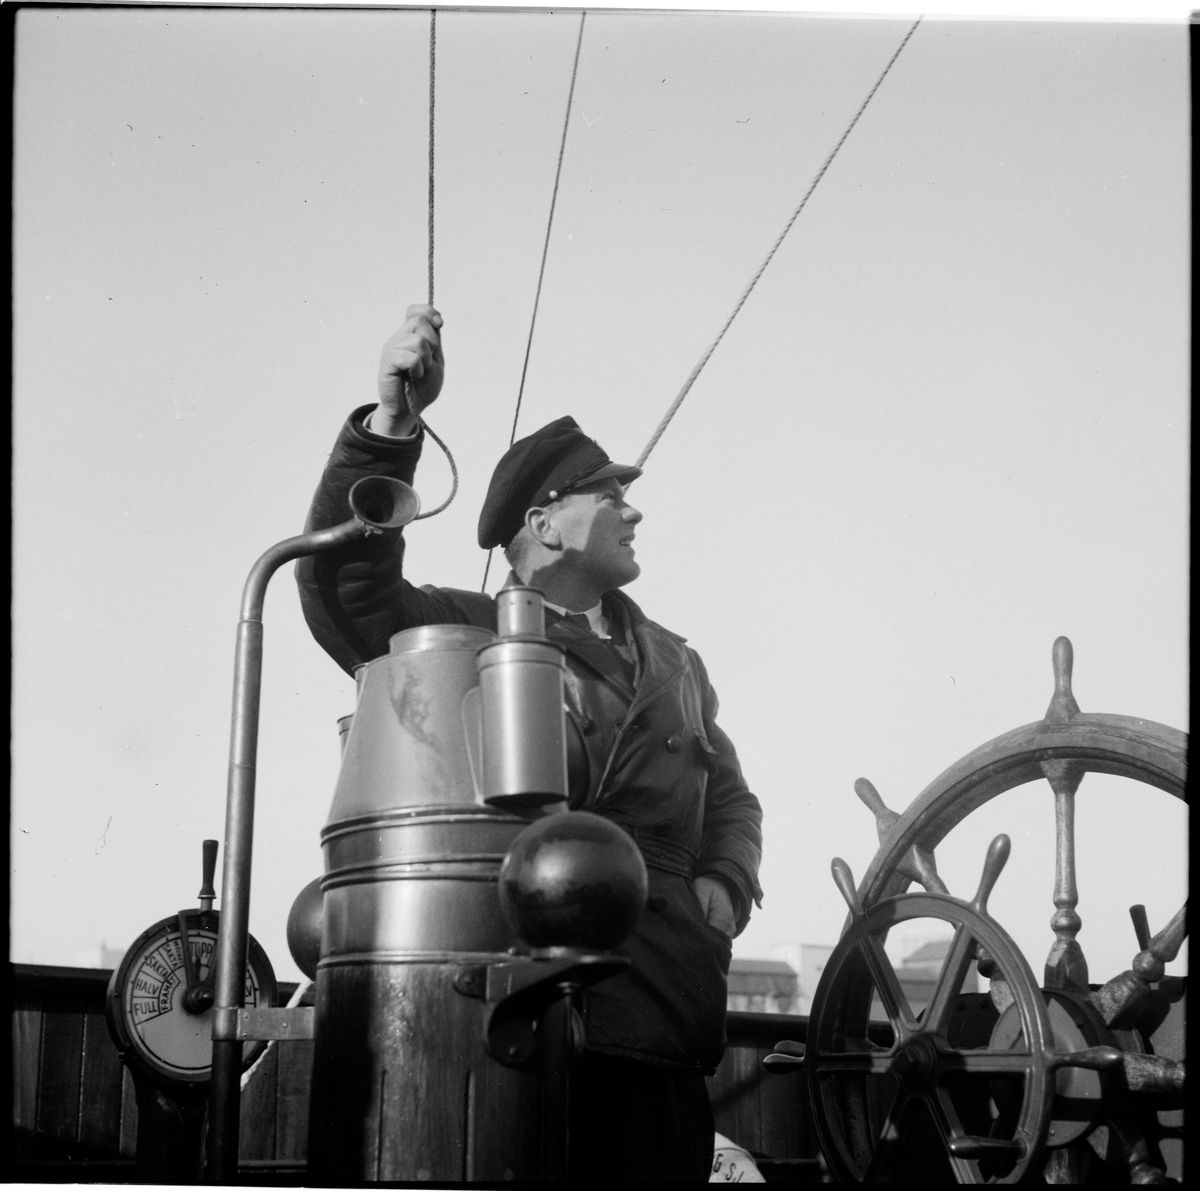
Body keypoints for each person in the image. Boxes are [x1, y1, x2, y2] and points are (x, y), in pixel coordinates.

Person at [297, 304, 763, 1182]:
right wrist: (392, 425)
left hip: (666, 1006)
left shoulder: (678, 662)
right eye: (610, 496)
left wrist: (726, 884)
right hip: (523, 1009)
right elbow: (346, 592)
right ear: (544, 525)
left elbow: (732, 796)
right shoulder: (470, 631)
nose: (633, 511)